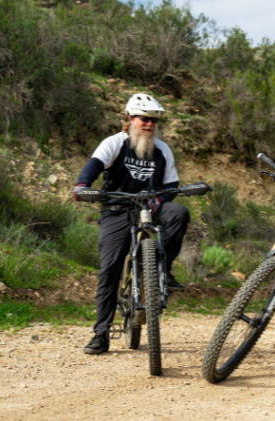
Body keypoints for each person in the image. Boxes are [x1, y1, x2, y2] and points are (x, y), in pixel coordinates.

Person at [72, 93, 190, 355]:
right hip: (118, 209)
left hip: (151, 208)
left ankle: (163, 271)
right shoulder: (115, 143)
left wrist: (160, 201)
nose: (148, 125)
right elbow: (93, 166)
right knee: (110, 268)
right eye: (143, 119)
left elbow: (171, 185)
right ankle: (101, 334)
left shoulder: (162, 149)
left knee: (179, 212)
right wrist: (82, 186)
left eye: (152, 121)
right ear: (129, 119)